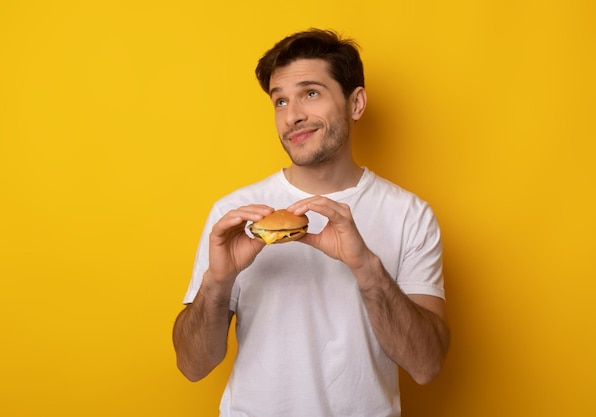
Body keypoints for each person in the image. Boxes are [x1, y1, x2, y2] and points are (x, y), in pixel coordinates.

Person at [173, 28, 450, 417]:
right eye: (280, 101)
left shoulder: (410, 215)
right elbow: (192, 365)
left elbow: (426, 365)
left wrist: (366, 267)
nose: (293, 115)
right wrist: (217, 282)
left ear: (356, 103)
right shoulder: (233, 214)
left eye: (311, 93)